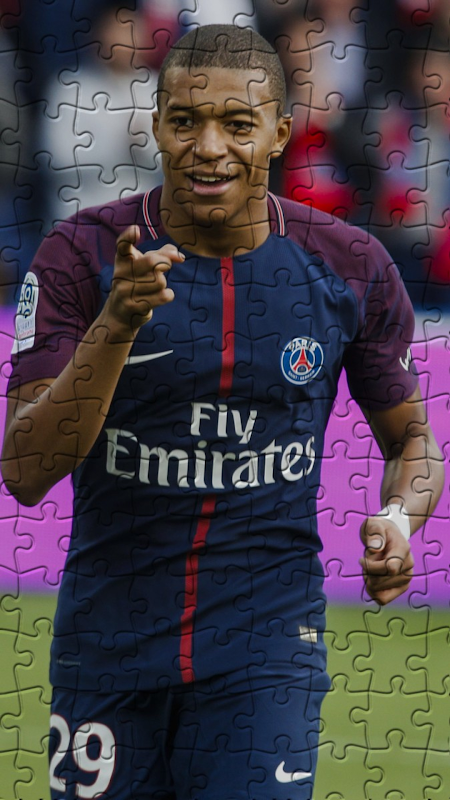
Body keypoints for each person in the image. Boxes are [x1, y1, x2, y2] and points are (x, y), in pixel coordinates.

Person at [1, 24, 444, 800]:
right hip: (107, 647)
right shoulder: (79, 254)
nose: (209, 147)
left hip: (267, 648)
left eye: (237, 124)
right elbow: (27, 471)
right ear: (156, 125)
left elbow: (414, 441)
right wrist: (117, 323)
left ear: (279, 132)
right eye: (185, 121)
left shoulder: (350, 266)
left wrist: (399, 521)